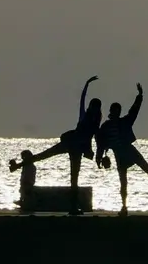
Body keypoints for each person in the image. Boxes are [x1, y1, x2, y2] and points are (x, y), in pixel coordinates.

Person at [9, 75, 101, 214]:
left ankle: (73, 207)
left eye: (95, 107)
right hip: (71, 142)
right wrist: (87, 84)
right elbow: (82, 99)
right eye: (94, 107)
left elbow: (94, 138)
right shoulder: (86, 117)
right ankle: (17, 166)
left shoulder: (94, 122)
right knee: (45, 155)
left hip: (76, 148)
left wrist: (97, 152)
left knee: (74, 177)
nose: (93, 109)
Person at [95, 82, 148, 215]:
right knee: (123, 182)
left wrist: (140, 96)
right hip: (119, 155)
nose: (116, 113)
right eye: (115, 110)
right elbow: (101, 143)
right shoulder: (106, 126)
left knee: (147, 169)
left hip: (129, 151)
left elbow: (134, 110)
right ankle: (124, 207)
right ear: (111, 111)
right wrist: (99, 158)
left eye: (118, 111)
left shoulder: (124, 122)